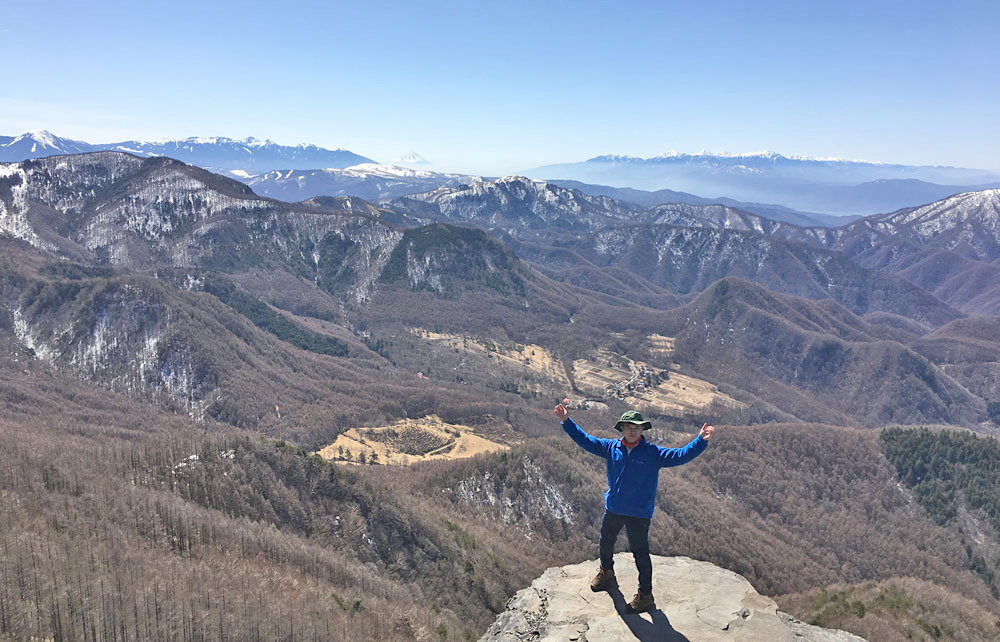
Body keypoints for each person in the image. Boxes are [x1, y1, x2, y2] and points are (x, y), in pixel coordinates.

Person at [553, 399, 714, 614]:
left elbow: (680, 455)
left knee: (640, 553)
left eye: (636, 427)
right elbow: (585, 440)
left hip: (639, 513)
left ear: (642, 429)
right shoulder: (611, 448)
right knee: (606, 542)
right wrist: (566, 422)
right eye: (628, 427)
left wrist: (700, 441)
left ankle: (645, 595)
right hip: (614, 508)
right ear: (622, 429)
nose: (631, 431)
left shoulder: (653, 453)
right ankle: (606, 572)